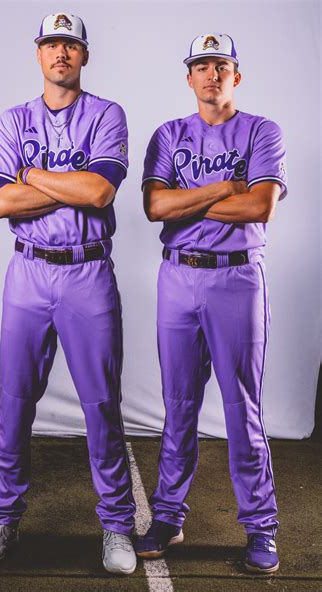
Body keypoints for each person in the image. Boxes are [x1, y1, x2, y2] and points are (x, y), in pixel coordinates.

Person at [0, 12, 136, 575]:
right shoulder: (12, 119)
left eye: (70, 44)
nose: (60, 53)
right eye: (51, 44)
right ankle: (3, 517)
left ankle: (115, 525)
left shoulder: (107, 114)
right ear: (37, 54)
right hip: (29, 273)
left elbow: (99, 189)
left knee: (100, 405)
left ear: (84, 55)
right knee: (13, 403)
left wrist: (33, 175)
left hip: (87, 273)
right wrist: (66, 186)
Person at [136, 33, 287, 574]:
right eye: (201, 65)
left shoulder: (261, 131)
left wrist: (189, 204)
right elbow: (155, 206)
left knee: (241, 408)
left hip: (236, 280)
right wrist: (225, 187)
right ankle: (169, 515)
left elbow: (261, 206)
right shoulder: (170, 134)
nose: (210, 74)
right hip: (178, 279)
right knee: (178, 407)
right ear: (189, 76)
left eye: (220, 64)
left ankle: (262, 527)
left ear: (235, 75)